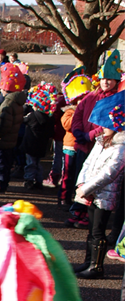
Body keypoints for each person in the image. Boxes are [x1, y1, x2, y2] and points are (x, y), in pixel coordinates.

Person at [73, 90, 125, 279]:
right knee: (91, 229)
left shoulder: (121, 147)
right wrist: (82, 185)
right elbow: (88, 163)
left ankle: (96, 266)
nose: (102, 127)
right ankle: (88, 261)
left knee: (98, 231)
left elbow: (108, 174)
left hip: (104, 195)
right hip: (91, 193)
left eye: (106, 124)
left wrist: (87, 189)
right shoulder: (101, 142)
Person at [68, 49, 120, 228]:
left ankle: (87, 212)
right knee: (80, 175)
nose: (106, 82)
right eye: (104, 78)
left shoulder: (116, 100)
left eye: (110, 79)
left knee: (94, 180)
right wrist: (77, 132)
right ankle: (77, 208)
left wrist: (90, 134)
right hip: (83, 144)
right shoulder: (90, 96)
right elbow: (78, 114)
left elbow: (108, 123)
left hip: (101, 146)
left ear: (116, 81)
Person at [0, 63, 26, 194]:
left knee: (0, 163)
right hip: (12, 138)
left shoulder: (6, 104)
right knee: (7, 163)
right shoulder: (17, 101)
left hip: (3, 139)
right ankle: (4, 182)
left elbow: (4, 124)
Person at [59, 69, 93, 206]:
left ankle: (74, 198)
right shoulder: (69, 111)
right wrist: (77, 114)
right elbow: (67, 125)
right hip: (69, 146)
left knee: (78, 174)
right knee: (67, 173)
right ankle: (63, 198)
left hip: (81, 147)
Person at [22, 82, 57, 189]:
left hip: (30, 144)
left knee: (30, 163)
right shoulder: (49, 119)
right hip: (42, 145)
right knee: (37, 163)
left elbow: (23, 120)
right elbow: (51, 133)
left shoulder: (32, 116)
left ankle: (29, 179)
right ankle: (39, 179)